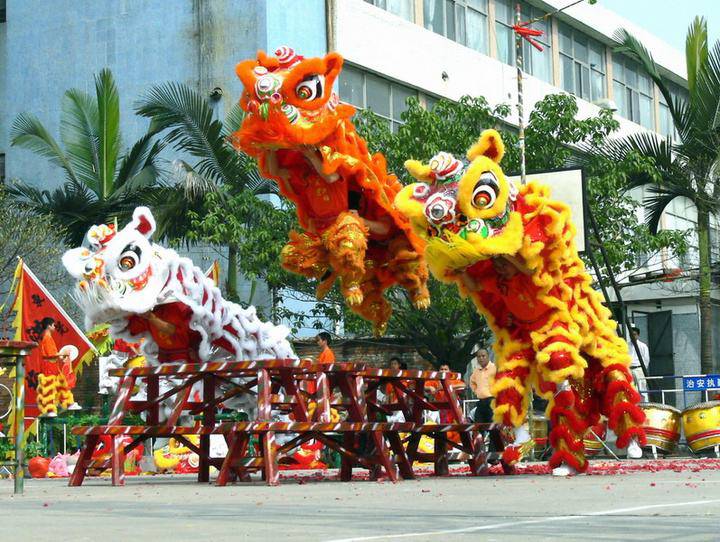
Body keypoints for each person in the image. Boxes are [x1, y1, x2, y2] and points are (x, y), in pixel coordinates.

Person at [37, 317, 81, 417]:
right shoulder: (47, 337)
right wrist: (63, 354)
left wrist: (62, 355)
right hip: (49, 366)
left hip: (51, 365)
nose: (54, 327)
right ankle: (50, 409)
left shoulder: (47, 337)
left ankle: (66, 403)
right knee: (50, 386)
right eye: (53, 325)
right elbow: (50, 354)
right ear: (49, 326)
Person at [470, 348, 496, 424]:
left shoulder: (494, 368)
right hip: (481, 402)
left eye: (483, 356)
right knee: (478, 425)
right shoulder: (476, 370)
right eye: (479, 356)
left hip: (492, 401)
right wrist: (476, 391)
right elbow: (472, 382)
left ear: (488, 356)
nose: (481, 358)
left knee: (493, 428)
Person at [629, 326, 651, 401]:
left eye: (634, 334)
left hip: (639, 368)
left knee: (642, 388)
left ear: (638, 335)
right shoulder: (627, 345)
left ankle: (645, 405)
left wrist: (642, 369)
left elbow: (646, 359)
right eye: (631, 334)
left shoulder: (643, 346)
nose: (633, 336)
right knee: (630, 389)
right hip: (629, 369)